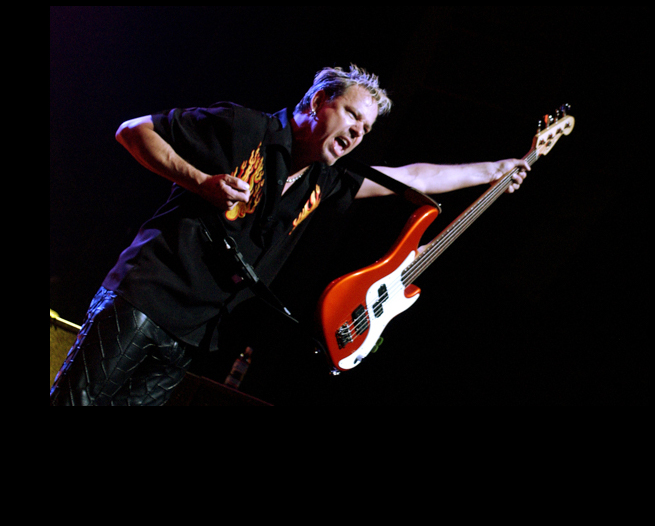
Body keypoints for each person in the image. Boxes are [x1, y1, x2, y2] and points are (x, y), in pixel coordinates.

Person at [50, 65, 529, 406]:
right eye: (352, 115)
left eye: (366, 129)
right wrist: (201, 182)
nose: (358, 133)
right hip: (143, 298)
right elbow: (134, 130)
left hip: (192, 334)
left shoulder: (327, 181)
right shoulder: (244, 128)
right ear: (319, 101)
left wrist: (497, 170)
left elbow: (415, 177)